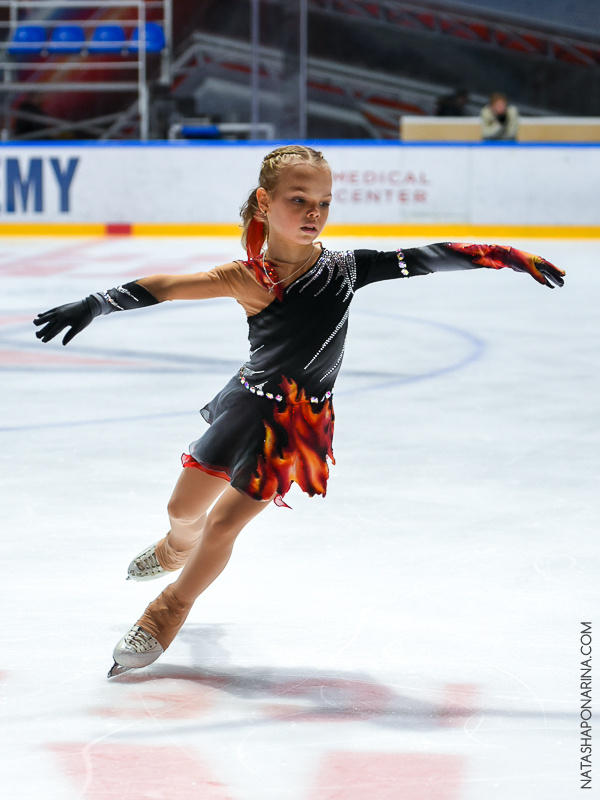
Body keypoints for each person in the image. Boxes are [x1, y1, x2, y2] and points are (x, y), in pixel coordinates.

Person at [33, 145, 565, 678]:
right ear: (265, 202)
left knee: (222, 525)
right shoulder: (248, 278)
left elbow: (430, 255)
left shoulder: (348, 270)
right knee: (182, 512)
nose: (314, 213)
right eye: (300, 200)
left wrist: (507, 255)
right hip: (246, 405)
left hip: (295, 427)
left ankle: (166, 612)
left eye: (324, 202)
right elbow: (168, 287)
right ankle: (175, 547)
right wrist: (97, 302)